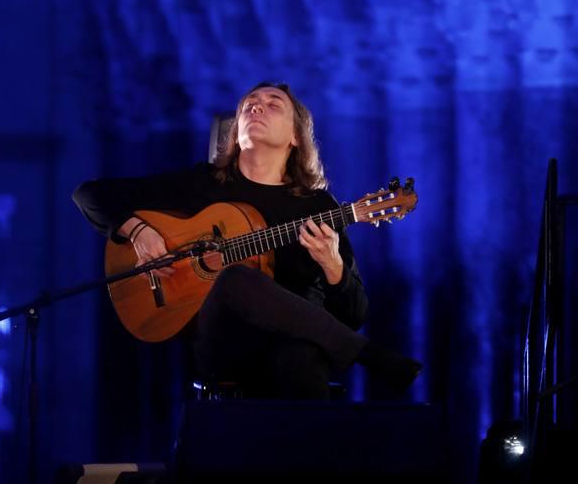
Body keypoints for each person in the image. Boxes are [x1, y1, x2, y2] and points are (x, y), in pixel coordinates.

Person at [73, 82, 422, 400]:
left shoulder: (318, 207)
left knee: (299, 358)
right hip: (226, 342)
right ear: (237, 130)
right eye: (249, 105)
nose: (257, 107)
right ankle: (368, 355)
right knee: (235, 278)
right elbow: (90, 194)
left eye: (273, 104)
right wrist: (138, 231)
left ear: (296, 136)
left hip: (297, 345)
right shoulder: (204, 184)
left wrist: (333, 266)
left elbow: (353, 313)